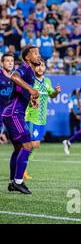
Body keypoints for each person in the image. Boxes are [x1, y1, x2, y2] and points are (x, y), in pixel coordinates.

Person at [2, 45, 40, 194]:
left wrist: (31, 98)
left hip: (12, 113)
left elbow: (19, 90)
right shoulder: (24, 67)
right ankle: (18, 182)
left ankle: (12, 182)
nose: (38, 55)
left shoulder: (30, 73)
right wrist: (31, 90)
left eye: (38, 53)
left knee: (18, 149)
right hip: (14, 113)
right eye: (34, 53)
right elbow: (14, 76)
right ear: (26, 58)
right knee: (28, 146)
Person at [24, 61, 61, 179]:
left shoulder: (47, 81)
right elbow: (24, 95)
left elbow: (52, 95)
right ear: (34, 67)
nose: (40, 68)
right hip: (31, 117)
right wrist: (30, 99)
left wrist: (56, 92)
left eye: (42, 65)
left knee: (36, 145)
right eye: (38, 65)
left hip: (42, 118)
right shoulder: (30, 80)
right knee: (31, 144)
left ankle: (21, 165)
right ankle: (22, 169)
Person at [0, 53, 14, 145]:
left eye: (12, 61)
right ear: (2, 63)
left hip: (9, 111)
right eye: (7, 61)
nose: (10, 63)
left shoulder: (16, 77)